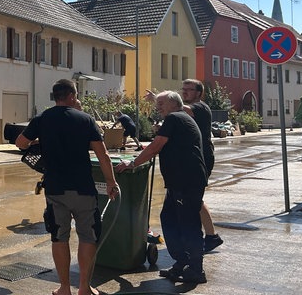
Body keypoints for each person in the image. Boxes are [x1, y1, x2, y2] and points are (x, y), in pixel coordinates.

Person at [16, 79, 119, 295]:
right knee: (88, 236)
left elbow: (20, 143)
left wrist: (39, 140)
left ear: (56, 96)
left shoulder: (42, 119)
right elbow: (103, 155)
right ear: (72, 96)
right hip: (83, 188)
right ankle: (84, 288)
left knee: (59, 237)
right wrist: (111, 182)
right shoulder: (85, 119)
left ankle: (64, 288)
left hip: (56, 189)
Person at [118, 91, 208, 284]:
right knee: (169, 219)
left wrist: (132, 164)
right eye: (157, 103)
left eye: (161, 103)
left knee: (188, 224)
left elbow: (155, 147)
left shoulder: (175, 118)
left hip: (186, 181)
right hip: (180, 181)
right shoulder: (180, 119)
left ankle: (196, 270)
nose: (157, 107)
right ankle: (182, 262)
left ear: (174, 104)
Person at [147, 79, 223, 252]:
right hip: (191, 158)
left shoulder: (201, 107)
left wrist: (159, 99)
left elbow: (182, 108)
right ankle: (211, 236)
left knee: (191, 199)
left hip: (201, 158)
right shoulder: (179, 114)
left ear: (199, 93)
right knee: (194, 199)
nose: (185, 92)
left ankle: (200, 244)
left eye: (190, 89)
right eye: (183, 89)